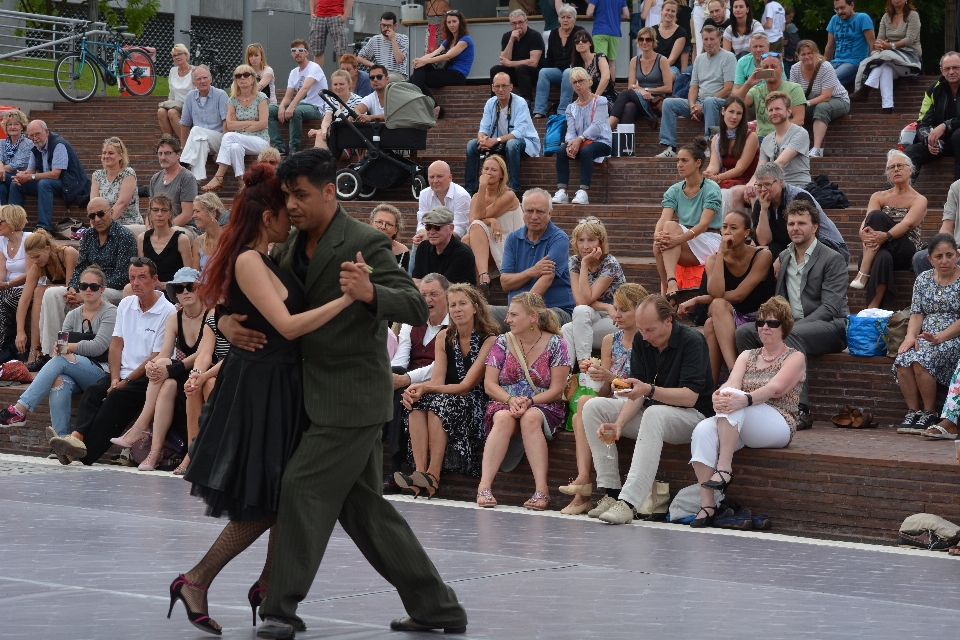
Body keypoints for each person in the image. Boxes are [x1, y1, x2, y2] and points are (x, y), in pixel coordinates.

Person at [206, 149, 466, 637]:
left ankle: (279, 607)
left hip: (351, 401)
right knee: (367, 512)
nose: (294, 205)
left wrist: (371, 295)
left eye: (302, 195)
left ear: (330, 191)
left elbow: (415, 304)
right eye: (288, 196)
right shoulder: (287, 242)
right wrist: (224, 322)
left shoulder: (365, 240)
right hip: (304, 396)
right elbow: (247, 292)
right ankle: (438, 608)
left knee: (299, 487)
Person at [169, 163, 358, 636]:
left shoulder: (266, 256)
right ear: (266, 216)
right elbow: (288, 326)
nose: (291, 216)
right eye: (284, 210)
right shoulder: (251, 260)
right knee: (268, 500)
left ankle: (267, 586)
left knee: (281, 495)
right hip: (261, 389)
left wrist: (226, 321)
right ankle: (198, 579)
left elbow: (231, 305)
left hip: (277, 385)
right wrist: (349, 299)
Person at [583, 294, 713, 524]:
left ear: (668, 321)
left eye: (650, 330)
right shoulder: (642, 342)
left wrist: (649, 390)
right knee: (594, 407)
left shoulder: (693, 340)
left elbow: (690, 398)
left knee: (654, 413)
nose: (644, 336)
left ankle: (629, 502)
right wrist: (619, 424)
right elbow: (637, 393)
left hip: (694, 418)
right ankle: (612, 493)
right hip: (655, 412)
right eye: (641, 330)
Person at [46, 258, 176, 465]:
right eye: (132, 278)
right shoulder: (125, 304)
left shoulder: (168, 311)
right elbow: (116, 345)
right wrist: (115, 378)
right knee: (93, 392)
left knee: (116, 399)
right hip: (119, 373)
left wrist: (125, 381)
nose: (136, 283)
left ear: (155, 280)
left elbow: (157, 355)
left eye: (142, 277)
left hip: (147, 376)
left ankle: (84, 454)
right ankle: (76, 438)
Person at [689, 295, 804, 525]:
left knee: (737, 399)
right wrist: (718, 396)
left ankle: (724, 468)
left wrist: (744, 399)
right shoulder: (747, 355)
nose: (765, 327)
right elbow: (731, 384)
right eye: (760, 322)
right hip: (744, 419)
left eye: (772, 323)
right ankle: (708, 504)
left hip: (779, 422)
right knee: (702, 429)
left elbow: (775, 389)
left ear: (784, 327)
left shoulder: (795, 357)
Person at [735, 199, 850, 428]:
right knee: (744, 332)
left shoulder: (832, 259)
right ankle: (755, 393)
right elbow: (778, 301)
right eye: (791, 224)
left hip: (832, 326)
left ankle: (800, 409)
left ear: (815, 227)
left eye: (802, 223)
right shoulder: (786, 256)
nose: (795, 228)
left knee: (790, 335)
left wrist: (788, 329)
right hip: (794, 323)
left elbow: (830, 308)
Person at [397, 284, 499, 493]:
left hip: (475, 401)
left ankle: (434, 475)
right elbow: (437, 380)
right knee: (417, 403)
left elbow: (465, 387)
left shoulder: (489, 339)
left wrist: (427, 389)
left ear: (475, 308)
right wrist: (418, 389)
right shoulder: (444, 336)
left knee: (438, 403)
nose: (457, 309)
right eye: (453, 305)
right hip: (447, 396)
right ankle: (420, 472)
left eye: (463, 303)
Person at [476, 291, 571, 510]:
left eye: (513, 315)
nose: (507, 320)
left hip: (543, 402)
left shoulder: (557, 344)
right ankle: (485, 487)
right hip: (505, 400)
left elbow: (557, 390)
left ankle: (541, 490)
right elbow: (490, 385)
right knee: (502, 418)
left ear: (533, 318)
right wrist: (510, 400)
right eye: (508, 315)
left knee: (530, 418)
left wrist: (529, 401)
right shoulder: (501, 342)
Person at [559, 283, 647, 515]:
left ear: (640, 312)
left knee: (587, 406)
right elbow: (607, 389)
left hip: (639, 404)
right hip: (613, 402)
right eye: (616, 309)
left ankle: (588, 488)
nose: (616, 315)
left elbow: (641, 387)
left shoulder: (647, 341)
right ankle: (586, 486)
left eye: (624, 310)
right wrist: (594, 377)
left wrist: (610, 377)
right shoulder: (610, 340)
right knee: (580, 412)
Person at [110, 267, 207, 471]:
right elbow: (164, 353)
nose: (185, 292)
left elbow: (203, 354)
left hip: (204, 371)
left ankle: (140, 428)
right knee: (163, 372)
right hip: (180, 374)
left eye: (190, 287)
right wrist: (153, 366)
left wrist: (170, 368)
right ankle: (153, 453)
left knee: (167, 373)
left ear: (200, 289)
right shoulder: (176, 317)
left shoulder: (210, 314)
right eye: (179, 289)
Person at [0, 267, 116, 435]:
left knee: (62, 359)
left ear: (103, 289)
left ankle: (20, 409)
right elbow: (61, 347)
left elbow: (99, 346)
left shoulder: (111, 312)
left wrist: (68, 348)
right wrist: (59, 349)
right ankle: (60, 441)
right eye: (83, 286)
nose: (88, 290)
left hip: (101, 372)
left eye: (94, 286)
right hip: (76, 370)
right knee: (58, 380)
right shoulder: (72, 315)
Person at [30, 198, 135, 370]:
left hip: (113, 290)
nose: (97, 219)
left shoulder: (124, 236)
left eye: (100, 214)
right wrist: (73, 287)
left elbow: (123, 276)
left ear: (111, 212)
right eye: (92, 216)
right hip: (88, 288)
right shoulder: (88, 236)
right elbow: (79, 268)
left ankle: (91, 355)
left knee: (104, 292)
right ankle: (52, 353)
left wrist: (88, 290)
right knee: (52, 294)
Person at [678, 211, 775, 384]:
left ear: (746, 232)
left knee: (713, 318)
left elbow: (739, 295)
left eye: (734, 227)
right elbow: (716, 293)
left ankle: (726, 378)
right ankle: (724, 379)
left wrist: (698, 299)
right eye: (724, 227)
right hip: (732, 315)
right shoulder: (714, 260)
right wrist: (721, 254)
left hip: (759, 315)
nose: (727, 232)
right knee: (714, 313)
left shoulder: (762, 256)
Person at [386, 274, 450, 493]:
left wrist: (407, 380)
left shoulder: (454, 324)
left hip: (438, 381)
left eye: (433, 294)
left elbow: (443, 366)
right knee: (392, 380)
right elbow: (401, 359)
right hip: (409, 377)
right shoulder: (410, 323)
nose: (427, 300)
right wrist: (394, 377)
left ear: (447, 295)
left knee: (401, 390)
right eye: (422, 295)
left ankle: (395, 468)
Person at [893, 234, 960, 432]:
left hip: (953, 337)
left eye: (949, 255)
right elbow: (916, 313)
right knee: (904, 357)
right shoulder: (923, 279)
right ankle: (914, 411)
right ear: (930, 259)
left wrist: (939, 337)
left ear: (957, 255)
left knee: (921, 358)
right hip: (926, 336)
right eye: (939, 256)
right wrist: (910, 337)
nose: (945, 261)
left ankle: (930, 413)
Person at [850, 151, 926, 309]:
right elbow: (866, 222)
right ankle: (873, 308)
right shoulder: (878, 196)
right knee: (883, 256)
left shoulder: (919, 199)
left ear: (910, 169)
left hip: (904, 248)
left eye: (900, 166)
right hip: (880, 247)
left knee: (878, 216)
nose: (896, 169)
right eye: (891, 167)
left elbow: (907, 224)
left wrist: (886, 236)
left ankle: (863, 271)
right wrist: (862, 234)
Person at [734, 162, 849, 261]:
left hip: (828, 246)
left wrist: (782, 257)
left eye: (767, 184)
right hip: (792, 246)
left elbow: (808, 236)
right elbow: (763, 241)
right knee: (760, 253)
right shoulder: (761, 202)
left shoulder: (798, 197)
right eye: (759, 185)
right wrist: (763, 210)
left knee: (767, 254)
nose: (763, 189)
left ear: (780, 182)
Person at [654, 138, 723, 302]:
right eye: (678, 160)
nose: (679, 164)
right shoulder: (674, 190)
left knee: (671, 228)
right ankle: (669, 295)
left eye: (684, 160)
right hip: (686, 239)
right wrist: (657, 235)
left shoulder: (711, 188)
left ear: (698, 163)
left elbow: (704, 224)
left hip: (709, 238)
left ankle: (671, 283)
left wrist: (677, 239)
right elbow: (664, 218)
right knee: (659, 242)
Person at [497, 188, 575, 326]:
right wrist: (531, 272)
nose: (534, 216)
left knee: (533, 321)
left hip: (554, 310)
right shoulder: (513, 238)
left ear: (550, 214)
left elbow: (546, 279)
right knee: (482, 315)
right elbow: (505, 283)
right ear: (522, 211)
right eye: (529, 211)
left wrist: (522, 311)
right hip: (515, 312)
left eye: (540, 211)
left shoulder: (559, 238)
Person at [656, 26, 735, 157]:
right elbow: (693, 87)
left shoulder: (728, 57)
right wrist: (693, 105)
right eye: (706, 39)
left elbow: (728, 88)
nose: (709, 43)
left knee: (709, 101)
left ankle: (709, 145)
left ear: (719, 39)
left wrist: (703, 106)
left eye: (712, 39)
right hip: (699, 102)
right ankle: (670, 148)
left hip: (720, 103)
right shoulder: (699, 59)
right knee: (668, 103)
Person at [559, 216, 626, 364]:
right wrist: (584, 265)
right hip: (595, 313)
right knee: (579, 312)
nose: (585, 246)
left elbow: (585, 300)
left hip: (616, 319)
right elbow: (580, 301)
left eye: (591, 240)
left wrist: (608, 308)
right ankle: (573, 374)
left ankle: (582, 369)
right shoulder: (576, 262)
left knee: (568, 329)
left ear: (601, 242)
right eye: (581, 240)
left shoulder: (610, 263)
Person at [464, 73, 540, 195]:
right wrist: (483, 140)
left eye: (504, 86)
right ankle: (471, 190)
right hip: (499, 143)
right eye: (497, 86)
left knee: (511, 144)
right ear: (492, 88)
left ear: (511, 87)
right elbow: (483, 128)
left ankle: (513, 189)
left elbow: (519, 133)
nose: (500, 89)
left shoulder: (520, 102)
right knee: (472, 145)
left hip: (524, 143)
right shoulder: (490, 103)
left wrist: (495, 140)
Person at [8, 120, 89, 233]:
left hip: (69, 185)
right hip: (49, 183)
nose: (35, 138)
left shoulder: (58, 144)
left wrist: (30, 177)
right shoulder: (35, 147)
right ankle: (13, 225)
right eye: (31, 135)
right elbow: (30, 170)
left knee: (44, 183)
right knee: (16, 184)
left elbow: (55, 174)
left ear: (46, 132)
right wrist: (21, 176)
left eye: (37, 134)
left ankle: (43, 227)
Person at [177, 302, 229, 475]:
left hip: (240, 368)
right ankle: (193, 452)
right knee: (194, 385)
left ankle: (212, 454)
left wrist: (204, 376)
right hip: (218, 370)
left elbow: (234, 356)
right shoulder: (213, 317)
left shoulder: (243, 314)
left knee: (209, 384)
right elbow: (205, 353)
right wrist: (196, 374)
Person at [15, 230, 78, 368]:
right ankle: (36, 350)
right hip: (57, 301)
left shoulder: (68, 253)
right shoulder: (37, 266)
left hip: (77, 298)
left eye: (37, 256)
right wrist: (20, 332)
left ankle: (50, 352)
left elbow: (70, 288)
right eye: (31, 257)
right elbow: (24, 300)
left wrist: (49, 288)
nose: (35, 261)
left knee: (47, 292)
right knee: (38, 291)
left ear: (47, 248)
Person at [202, 65, 270, 192]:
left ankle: (218, 176)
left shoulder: (261, 97)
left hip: (260, 140)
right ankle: (242, 182)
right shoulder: (232, 100)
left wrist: (241, 125)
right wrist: (251, 123)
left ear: (253, 78)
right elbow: (230, 125)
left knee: (229, 136)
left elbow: (263, 124)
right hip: (240, 140)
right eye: (238, 76)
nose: (242, 78)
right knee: (234, 147)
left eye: (246, 75)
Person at [553, 67, 613, 206]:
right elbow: (570, 131)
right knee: (561, 150)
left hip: (602, 141)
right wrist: (570, 143)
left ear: (589, 81)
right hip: (580, 142)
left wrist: (579, 140)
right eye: (574, 82)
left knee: (587, 150)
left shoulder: (601, 101)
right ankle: (562, 191)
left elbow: (597, 126)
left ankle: (583, 192)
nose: (578, 85)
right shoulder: (571, 108)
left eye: (581, 81)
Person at [850, 0, 921, 113]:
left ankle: (865, 89)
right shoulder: (885, 17)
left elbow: (909, 39)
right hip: (889, 60)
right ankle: (887, 109)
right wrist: (879, 45)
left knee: (883, 58)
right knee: (885, 67)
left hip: (910, 59)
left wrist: (889, 46)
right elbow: (880, 38)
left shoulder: (913, 15)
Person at [466, 155, 523, 294]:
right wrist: (491, 220)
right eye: (486, 169)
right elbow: (473, 222)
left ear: (502, 174)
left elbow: (478, 217)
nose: (488, 173)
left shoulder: (508, 195)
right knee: (466, 240)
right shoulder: (476, 197)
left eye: (493, 170)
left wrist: (482, 185)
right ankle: (482, 283)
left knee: (471, 235)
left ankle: (480, 283)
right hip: (490, 241)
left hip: (509, 242)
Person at [902, 53, 960, 182]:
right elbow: (922, 122)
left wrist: (946, 125)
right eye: (947, 68)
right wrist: (928, 139)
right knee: (909, 154)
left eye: (956, 67)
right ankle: (895, 198)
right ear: (941, 70)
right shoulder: (934, 89)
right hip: (943, 142)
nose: (951, 72)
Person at [790, 40, 850, 157]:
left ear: (816, 53)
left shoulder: (826, 66)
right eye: (803, 54)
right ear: (798, 56)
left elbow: (826, 96)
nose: (807, 56)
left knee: (822, 108)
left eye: (809, 53)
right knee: (791, 111)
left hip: (837, 99)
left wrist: (804, 103)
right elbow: (793, 93)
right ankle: (790, 146)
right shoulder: (794, 69)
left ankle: (816, 149)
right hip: (811, 102)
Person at [410, 10, 474, 119]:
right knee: (418, 73)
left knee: (414, 80)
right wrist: (419, 60)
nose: (451, 25)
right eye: (449, 22)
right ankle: (435, 106)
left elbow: (447, 56)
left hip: (457, 75)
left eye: (454, 21)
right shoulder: (449, 40)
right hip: (447, 72)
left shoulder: (465, 40)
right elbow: (434, 53)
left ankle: (432, 105)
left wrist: (424, 61)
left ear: (460, 23)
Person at [268, 39, 328, 155]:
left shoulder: (314, 67)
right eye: (294, 51)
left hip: (316, 108)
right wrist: (281, 107)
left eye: (301, 50)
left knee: (295, 111)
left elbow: (305, 88)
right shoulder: (293, 72)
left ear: (306, 53)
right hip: (300, 106)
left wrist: (291, 106)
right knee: (269, 110)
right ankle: (279, 146)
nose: (297, 53)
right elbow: (287, 96)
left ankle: (293, 149)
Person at [608, 28, 675, 129]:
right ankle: (625, 143)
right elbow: (631, 86)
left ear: (653, 42)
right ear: (638, 41)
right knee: (629, 107)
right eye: (641, 39)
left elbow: (668, 88)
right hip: (640, 98)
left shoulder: (662, 60)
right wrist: (641, 90)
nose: (644, 42)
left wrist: (646, 90)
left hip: (654, 103)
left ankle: (608, 126)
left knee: (626, 93)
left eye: (648, 39)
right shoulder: (634, 60)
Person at [735, 51, 806, 139]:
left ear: (781, 69)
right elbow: (735, 103)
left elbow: (799, 119)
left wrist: (776, 134)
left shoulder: (794, 88)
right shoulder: (757, 90)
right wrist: (748, 84)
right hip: (761, 138)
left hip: (786, 136)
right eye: (765, 67)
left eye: (773, 66)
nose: (769, 69)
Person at [533, 5, 586, 119]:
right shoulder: (553, 33)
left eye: (568, 17)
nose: (565, 20)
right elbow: (550, 55)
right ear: (559, 19)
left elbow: (584, 54)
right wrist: (549, 68)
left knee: (568, 72)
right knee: (543, 72)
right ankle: (539, 110)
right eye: (562, 17)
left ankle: (562, 111)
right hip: (558, 70)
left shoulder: (580, 32)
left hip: (575, 70)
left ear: (574, 19)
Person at [178, 66, 229, 182]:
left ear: (210, 79)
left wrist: (223, 151)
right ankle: (196, 180)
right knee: (200, 142)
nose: (202, 81)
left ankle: (183, 164)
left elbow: (227, 124)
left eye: (205, 78)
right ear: (194, 83)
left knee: (196, 130)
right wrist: (183, 146)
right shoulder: (190, 96)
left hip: (219, 140)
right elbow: (185, 124)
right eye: (199, 79)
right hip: (200, 139)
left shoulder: (221, 95)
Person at [135, 194, 192, 291]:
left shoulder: (181, 239)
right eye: (155, 210)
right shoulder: (142, 239)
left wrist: (167, 285)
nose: (159, 214)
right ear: (150, 213)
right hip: (150, 290)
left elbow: (189, 275)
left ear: (170, 214)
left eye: (164, 210)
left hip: (175, 290)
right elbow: (142, 271)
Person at [702, 95, 759, 187]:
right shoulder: (717, 139)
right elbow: (714, 165)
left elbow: (739, 169)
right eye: (731, 112)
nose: (734, 117)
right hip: (725, 180)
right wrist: (708, 174)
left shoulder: (751, 136)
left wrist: (717, 178)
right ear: (723, 111)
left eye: (739, 113)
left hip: (746, 183)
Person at [756, 91, 811, 186]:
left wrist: (759, 182)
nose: (774, 113)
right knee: (742, 192)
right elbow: (760, 168)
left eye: (778, 109)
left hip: (798, 187)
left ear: (789, 111)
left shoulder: (800, 133)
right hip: (774, 187)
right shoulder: (766, 140)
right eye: (770, 110)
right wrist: (751, 184)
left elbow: (780, 163)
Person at [412, 207, 477, 286]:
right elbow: (416, 280)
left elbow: (445, 288)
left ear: (451, 228)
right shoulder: (423, 247)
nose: (431, 232)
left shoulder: (463, 254)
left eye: (437, 227)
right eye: (428, 227)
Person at [489, 10, 544, 102]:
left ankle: (526, 101)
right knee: (495, 69)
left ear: (526, 22)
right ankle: (494, 101)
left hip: (532, 73)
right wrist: (511, 40)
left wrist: (510, 64)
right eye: (514, 24)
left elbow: (533, 62)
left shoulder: (535, 36)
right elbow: (504, 61)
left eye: (520, 23)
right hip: (515, 73)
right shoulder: (507, 36)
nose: (517, 26)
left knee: (521, 68)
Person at [90, 136, 141, 227]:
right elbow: (93, 205)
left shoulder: (128, 173)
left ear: (120, 156)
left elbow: (122, 204)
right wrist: (95, 227)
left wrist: (104, 225)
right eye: (104, 153)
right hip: (102, 225)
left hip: (128, 224)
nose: (106, 156)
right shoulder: (97, 175)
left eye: (111, 153)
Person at [415, 160, 471, 243]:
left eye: (439, 176)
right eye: (431, 177)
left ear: (450, 178)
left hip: (455, 241)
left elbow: (460, 229)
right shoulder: (424, 194)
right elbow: (422, 223)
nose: (435, 181)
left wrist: (435, 237)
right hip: (430, 237)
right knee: (418, 242)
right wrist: (422, 236)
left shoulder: (462, 196)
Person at [150, 134, 199, 228]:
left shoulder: (187, 178)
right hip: (159, 227)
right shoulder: (155, 178)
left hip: (184, 227)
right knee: (133, 231)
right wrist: (149, 229)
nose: (163, 157)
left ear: (178, 155)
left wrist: (164, 229)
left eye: (167, 153)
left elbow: (187, 215)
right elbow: (150, 211)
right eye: (160, 153)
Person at [307, 70, 361, 153]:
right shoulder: (332, 100)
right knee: (320, 136)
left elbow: (349, 125)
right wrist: (324, 131)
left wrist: (323, 132)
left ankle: (321, 162)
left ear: (349, 84)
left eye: (341, 84)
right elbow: (327, 119)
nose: (338, 87)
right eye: (335, 84)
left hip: (350, 141)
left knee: (319, 137)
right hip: (335, 138)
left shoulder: (358, 101)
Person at [914, 178, 960, 275]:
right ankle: (934, 290)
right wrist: (941, 249)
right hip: (956, 248)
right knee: (920, 258)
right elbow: (947, 228)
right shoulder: (957, 187)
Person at [825, 0, 875, 87]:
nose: (839, 12)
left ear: (851, 5)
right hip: (835, 62)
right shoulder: (834, 19)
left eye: (842, 8)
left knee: (829, 81)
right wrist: (824, 65)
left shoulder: (862, 18)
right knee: (815, 79)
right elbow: (830, 46)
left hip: (854, 63)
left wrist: (871, 67)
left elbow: (872, 44)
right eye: (837, 9)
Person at [0, 205, 29, 354]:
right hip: (7, 287)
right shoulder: (2, 241)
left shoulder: (29, 239)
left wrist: (7, 284)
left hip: (26, 288)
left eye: (0, 221)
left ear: (11, 221)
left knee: (3, 301)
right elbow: (2, 271)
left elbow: (32, 274)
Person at [357, 11, 410, 82]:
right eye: (383, 25)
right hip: (380, 72)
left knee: (383, 79)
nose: (385, 28)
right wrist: (373, 65)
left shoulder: (403, 38)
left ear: (395, 26)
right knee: (366, 79)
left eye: (389, 26)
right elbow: (360, 57)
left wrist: (393, 40)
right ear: (380, 24)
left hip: (397, 74)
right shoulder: (375, 39)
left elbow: (399, 60)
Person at [159, 44, 194, 143]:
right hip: (176, 104)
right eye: (174, 55)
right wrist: (169, 104)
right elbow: (172, 92)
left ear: (186, 55)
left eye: (180, 54)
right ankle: (169, 143)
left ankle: (185, 144)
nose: (177, 57)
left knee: (172, 112)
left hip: (189, 105)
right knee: (161, 111)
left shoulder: (194, 71)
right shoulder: (173, 71)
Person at [586, 0, 629, 83]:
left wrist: (598, 15)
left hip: (600, 31)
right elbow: (626, 14)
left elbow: (589, 13)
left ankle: (601, 87)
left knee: (600, 61)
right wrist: (615, 16)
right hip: (614, 32)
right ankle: (611, 88)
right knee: (612, 62)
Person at [569, 32, 614, 104]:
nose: (580, 43)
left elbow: (606, 78)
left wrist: (594, 98)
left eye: (584, 40)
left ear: (590, 43)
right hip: (587, 101)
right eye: (577, 41)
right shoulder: (576, 65)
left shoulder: (600, 57)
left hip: (607, 98)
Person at [0, 110, 32, 205]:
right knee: (1, 189)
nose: (12, 127)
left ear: (22, 126)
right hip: (4, 179)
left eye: (16, 124)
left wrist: (1, 168)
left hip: (19, 178)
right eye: (9, 124)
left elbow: (16, 165)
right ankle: (4, 218)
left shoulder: (29, 144)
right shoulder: (1, 142)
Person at [309, 0, 352, 67]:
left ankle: (343, 76)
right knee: (317, 51)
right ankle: (317, 76)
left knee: (341, 50)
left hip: (336, 15)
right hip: (319, 16)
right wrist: (312, 13)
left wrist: (345, 16)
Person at [191, 192, 225, 272]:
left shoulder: (230, 239)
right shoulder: (198, 242)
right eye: (194, 211)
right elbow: (195, 277)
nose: (193, 216)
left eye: (197, 211)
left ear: (213, 213)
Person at [370, 204, 410, 271]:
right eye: (379, 222)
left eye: (389, 224)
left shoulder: (403, 252)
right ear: (371, 224)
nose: (383, 227)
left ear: (396, 229)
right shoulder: (361, 245)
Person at [655, 0, 689, 76]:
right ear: (661, 11)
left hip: (672, 67)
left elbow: (672, 60)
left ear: (676, 14)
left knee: (665, 76)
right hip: (653, 66)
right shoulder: (653, 30)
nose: (669, 13)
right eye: (667, 10)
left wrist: (656, 70)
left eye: (673, 11)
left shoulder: (681, 32)